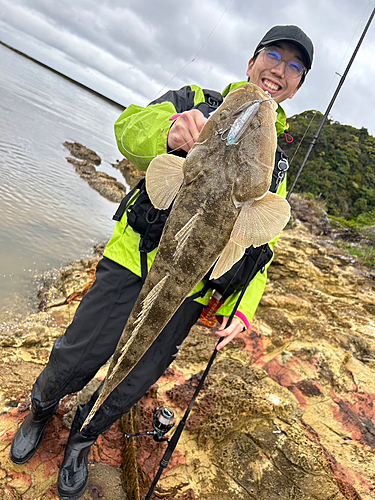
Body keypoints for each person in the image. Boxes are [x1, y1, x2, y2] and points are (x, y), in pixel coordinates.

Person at [10, 25, 314, 500]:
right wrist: (167, 132)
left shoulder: (275, 159)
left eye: (294, 66)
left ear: (298, 85)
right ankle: (42, 408)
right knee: (81, 350)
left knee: (139, 372)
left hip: (190, 288)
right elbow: (127, 130)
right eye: (273, 55)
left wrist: (245, 305)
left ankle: (83, 437)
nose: (280, 69)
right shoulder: (194, 99)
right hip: (135, 258)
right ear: (251, 61)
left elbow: (263, 243)